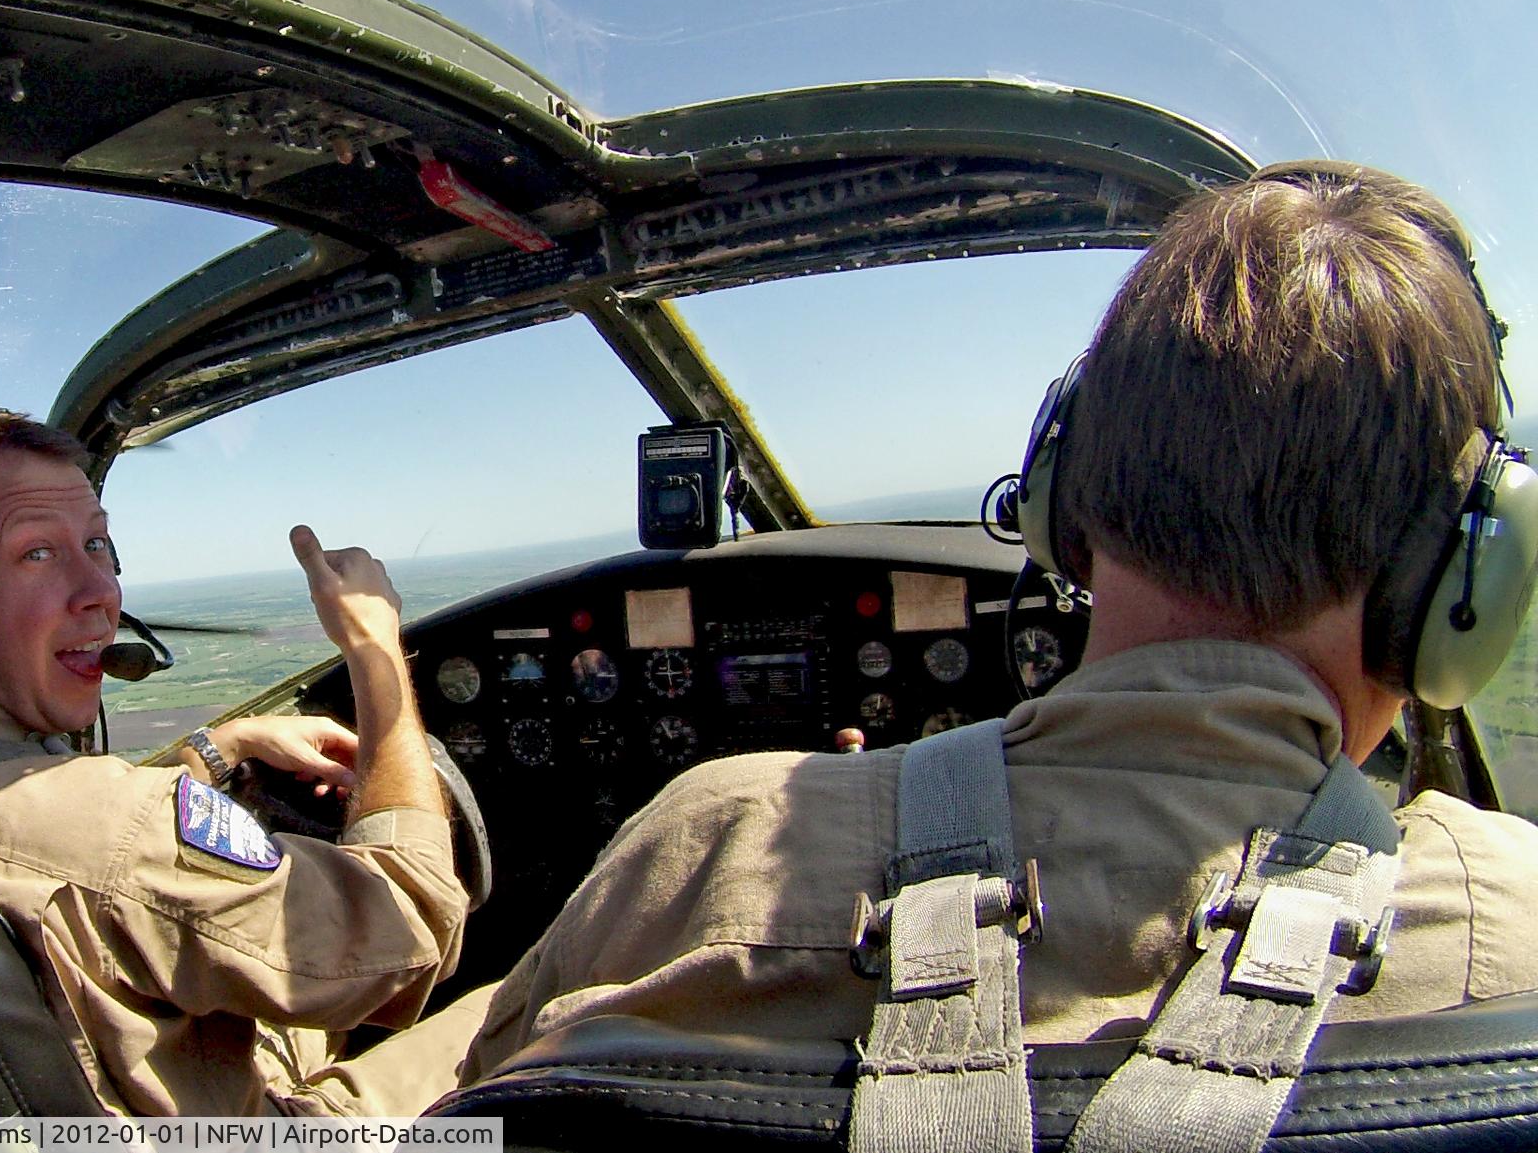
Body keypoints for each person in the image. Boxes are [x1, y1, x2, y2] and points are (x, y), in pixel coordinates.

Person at [458, 161, 1538, 1084]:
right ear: (1460, 577)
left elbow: (481, 1104)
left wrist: (862, 815)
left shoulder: (699, 850)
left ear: (1064, 503)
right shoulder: (1513, 921)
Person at [0, 409, 487, 1116]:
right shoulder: (100, 837)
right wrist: (376, 655)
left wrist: (227, 744)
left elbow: (86, 861)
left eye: (96, 541)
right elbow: (413, 929)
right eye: (37, 551)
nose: (100, 590)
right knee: (558, 983)